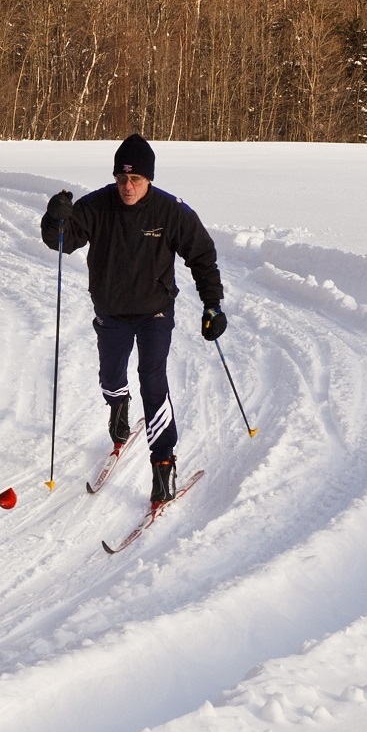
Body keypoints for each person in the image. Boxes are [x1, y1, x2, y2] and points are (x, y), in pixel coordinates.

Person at [40, 134, 226, 504]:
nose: (127, 186)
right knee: (110, 376)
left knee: (153, 382)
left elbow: (202, 257)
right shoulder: (96, 205)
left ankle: (163, 465)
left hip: (155, 311)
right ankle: (118, 406)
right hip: (110, 310)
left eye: (136, 180)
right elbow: (62, 241)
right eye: (122, 179)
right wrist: (54, 218)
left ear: (149, 179)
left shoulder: (172, 212)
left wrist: (212, 305)